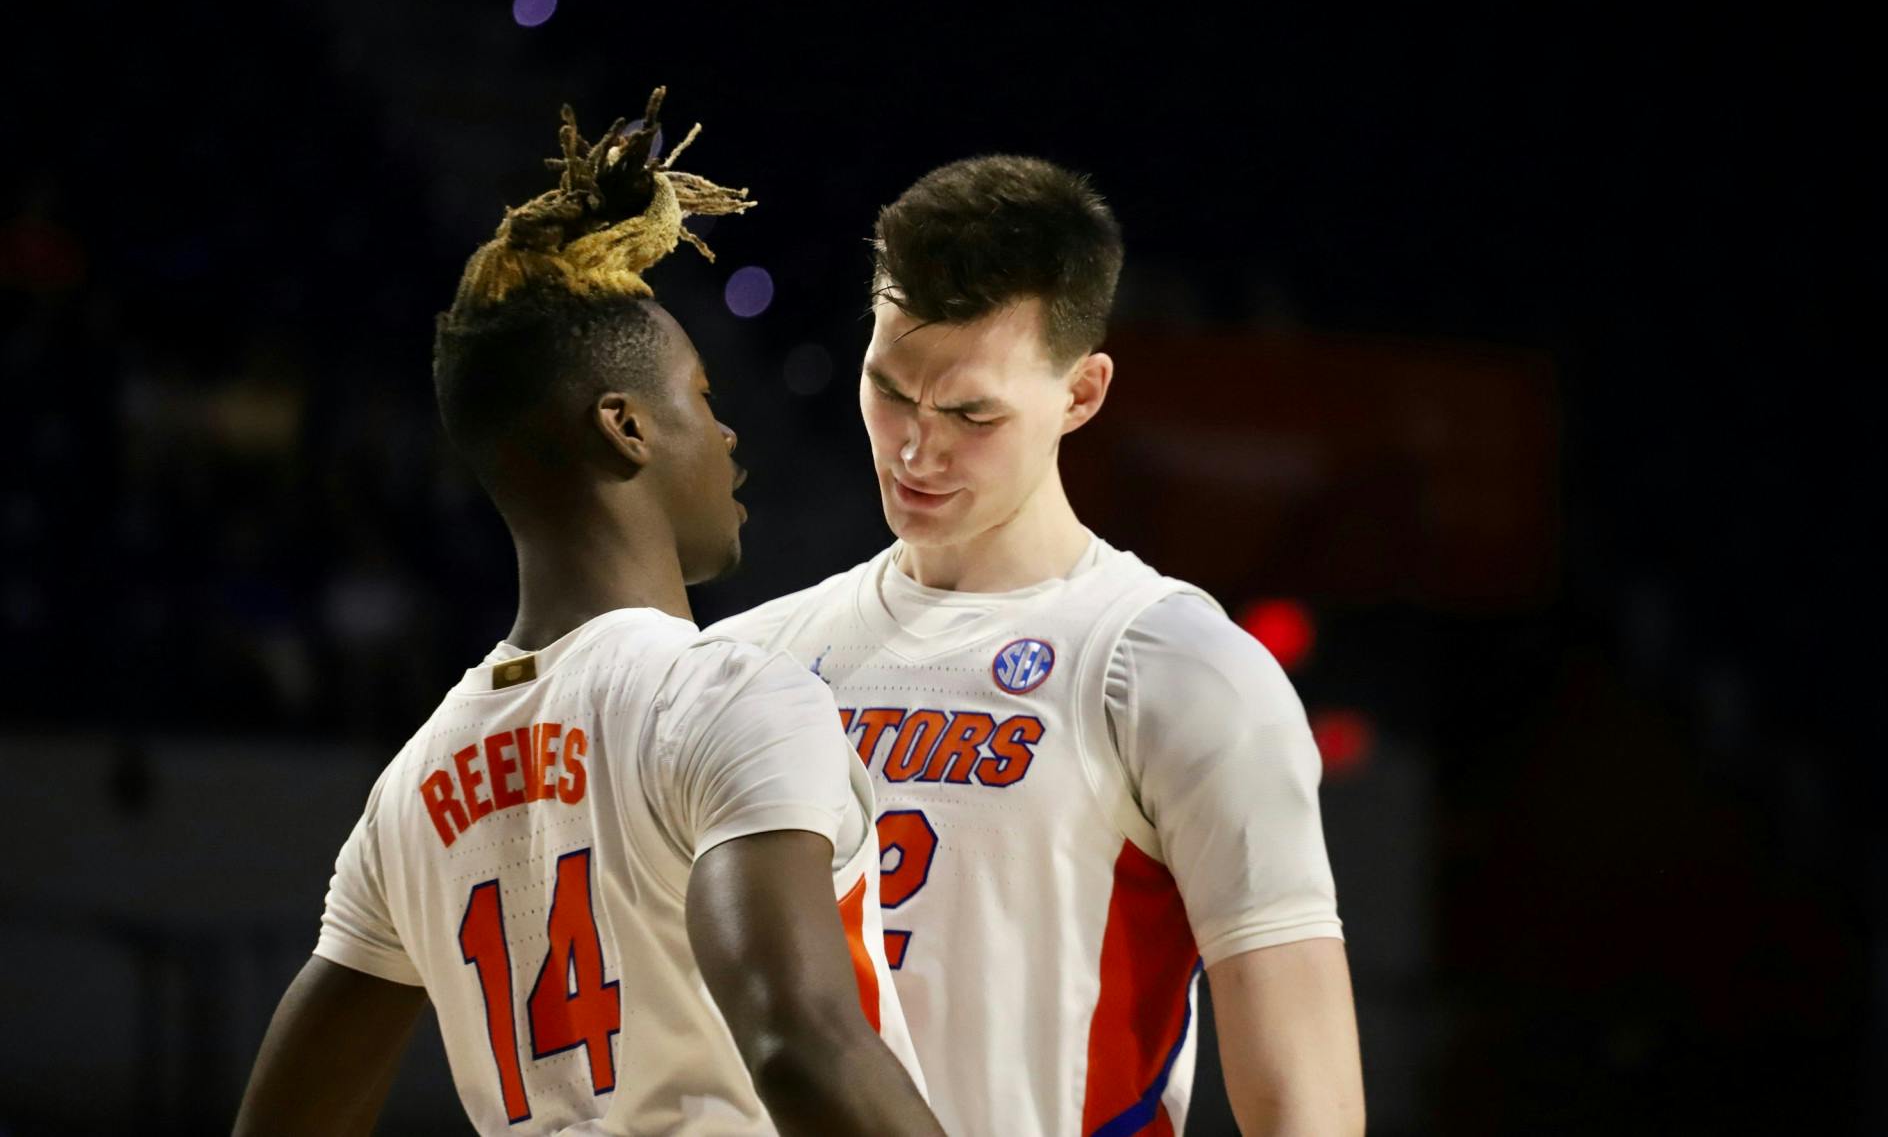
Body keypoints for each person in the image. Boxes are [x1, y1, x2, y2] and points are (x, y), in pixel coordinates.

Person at [234, 90, 942, 1137]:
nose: (731, 436)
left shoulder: (414, 784)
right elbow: (802, 1046)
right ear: (624, 427)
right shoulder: (724, 694)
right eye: (703, 398)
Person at [707, 155, 1367, 1136]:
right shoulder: (743, 661)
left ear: (1082, 391)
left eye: (970, 412)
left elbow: (1304, 1101)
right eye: (888, 390)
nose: (914, 449)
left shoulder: (1178, 668)